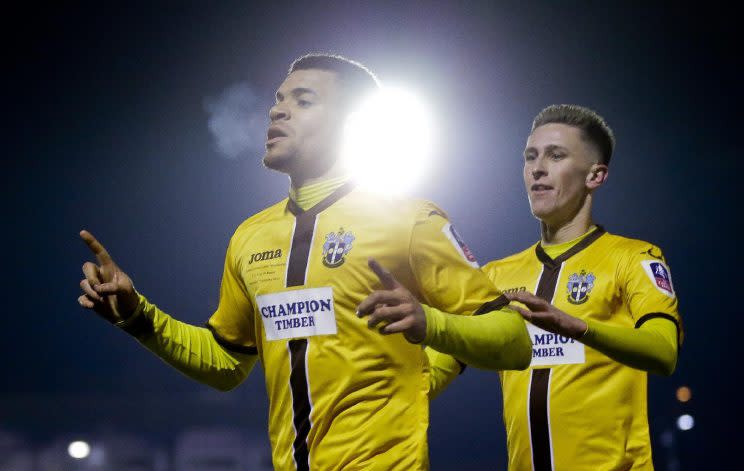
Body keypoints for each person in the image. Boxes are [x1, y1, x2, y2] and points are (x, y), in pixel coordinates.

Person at [77, 53, 531, 471]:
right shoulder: (249, 236)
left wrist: (428, 322)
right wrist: (139, 318)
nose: (277, 110)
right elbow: (227, 363)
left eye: (303, 100)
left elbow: (513, 340)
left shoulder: (410, 219)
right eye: (277, 100)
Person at [477, 104, 682, 470]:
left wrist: (579, 328)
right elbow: (443, 362)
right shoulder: (497, 274)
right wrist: (421, 321)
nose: (537, 168)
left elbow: (664, 351)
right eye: (530, 156)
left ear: (595, 176)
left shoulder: (633, 258)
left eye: (556, 156)